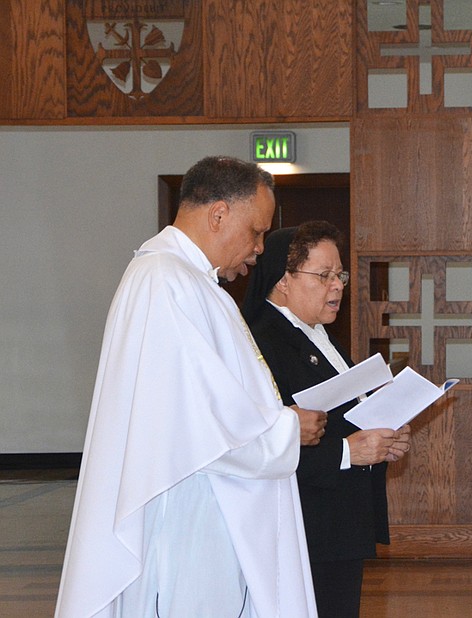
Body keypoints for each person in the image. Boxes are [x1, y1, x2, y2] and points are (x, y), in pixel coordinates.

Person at [56, 156, 322, 617]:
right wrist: (284, 430)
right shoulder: (164, 282)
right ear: (218, 215)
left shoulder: (189, 283)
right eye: (256, 231)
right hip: (192, 510)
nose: (260, 248)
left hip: (208, 500)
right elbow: (194, 418)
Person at [243, 222, 411, 618]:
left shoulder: (317, 334)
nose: (337, 286)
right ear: (283, 280)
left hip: (336, 522)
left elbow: (342, 417)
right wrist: (349, 451)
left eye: (340, 275)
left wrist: (383, 437)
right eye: (324, 276)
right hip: (304, 524)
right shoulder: (264, 342)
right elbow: (263, 442)